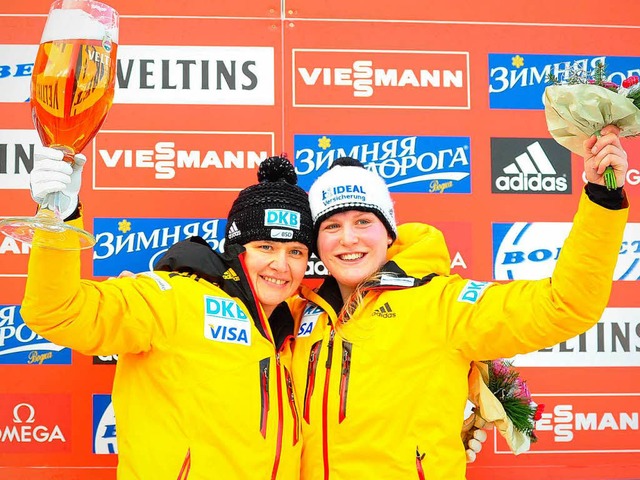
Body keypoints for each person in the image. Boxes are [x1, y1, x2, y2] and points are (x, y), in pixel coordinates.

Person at [287, 124, 630, 480]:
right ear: (317, 242)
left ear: (388, 233)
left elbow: (564, 305)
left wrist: (602, 198)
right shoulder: (297, 315)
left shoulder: (444, 304)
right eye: (331, 226)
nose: (348, 239)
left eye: (363, 222)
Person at [21, 151, 314, 479]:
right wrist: (59, 217)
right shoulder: (171, 297)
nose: (281, 265)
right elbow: (58, 311)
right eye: (266, 247)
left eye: (296, 252)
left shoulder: (293, 330)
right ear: (236, 249)